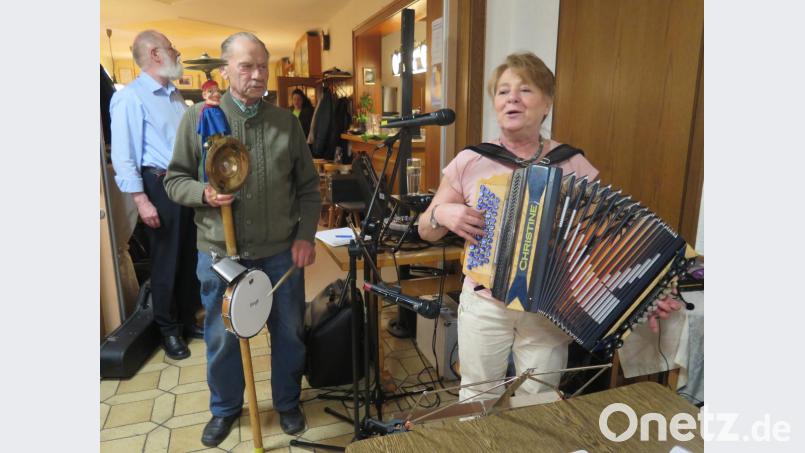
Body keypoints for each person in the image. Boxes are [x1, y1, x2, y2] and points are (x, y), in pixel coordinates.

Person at [418, 52, 681, 401]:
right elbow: (426, 230)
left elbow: (604, 247)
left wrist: (648, 294)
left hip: (549, 311)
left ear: (547, 104)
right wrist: (443, 214)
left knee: (539, 402)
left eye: (525, 90)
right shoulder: (471, 160)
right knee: (477, 398)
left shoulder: (572, 162)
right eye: (502, 91)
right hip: (485, 304)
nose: (512, 98)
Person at [164, 32, 321, 447]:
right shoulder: (200, 118)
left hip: (280, 256)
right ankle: (225, 409)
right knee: (222, 338)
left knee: (289, 334)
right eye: (245, 66)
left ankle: (287, 401)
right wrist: (205, 194)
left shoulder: (286, 122)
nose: (255, 75)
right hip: (221, 255)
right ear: (225, 70)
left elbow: (308, 188)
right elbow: (174, 180)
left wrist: (305, 236)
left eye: (261, 66)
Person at [109, 30, 202, 361]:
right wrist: (141, 200)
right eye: (172, 47)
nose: (177, 53)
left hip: (186, 183)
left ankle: (188, 319)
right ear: (155, 54)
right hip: (159, 186)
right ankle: (169, 330)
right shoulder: (130, 97)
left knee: (190, 256)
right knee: (166, 261)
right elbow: (123, 155)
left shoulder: (175, 96)